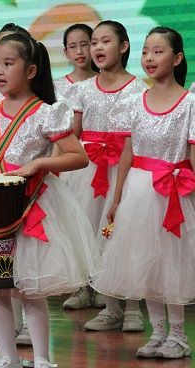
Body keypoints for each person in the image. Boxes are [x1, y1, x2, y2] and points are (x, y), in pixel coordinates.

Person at [0, 32, 99, 368]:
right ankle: (7, 357)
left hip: (32, 206)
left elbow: (78, 157)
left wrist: (39, 163)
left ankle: (41, 359)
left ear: (31, 70)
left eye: (9, 64)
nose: (1, 71)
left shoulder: (46, 113)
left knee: (29, 289)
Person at [93, 27, 193, 360]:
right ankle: (158, 332)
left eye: (159, 51)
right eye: (146, 51)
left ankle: (178, 335)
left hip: (174, 191)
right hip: (138, 190)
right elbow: (126, 153)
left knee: (172, 261)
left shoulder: (190, 102)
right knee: (144, 260)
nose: (150, 58)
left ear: (177, 58)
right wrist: (117, 197)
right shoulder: (134, 103)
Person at [64, 21, 148, 317]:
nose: (97, 48)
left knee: (121, 231)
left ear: (124, 46)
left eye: (105, 42)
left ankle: (130, 304)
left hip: (122, 168)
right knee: (86, 227)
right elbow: (72, 133)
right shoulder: (83, 90)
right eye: (94, 42)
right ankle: (89, 291)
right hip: (87, 169)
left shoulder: (139, 89)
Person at [53, 23, 98, 102]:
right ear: (66, 52)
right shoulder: (56, 86)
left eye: (84, 45)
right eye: (72, 46)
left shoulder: (106, 82)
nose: (79, 52)